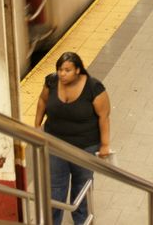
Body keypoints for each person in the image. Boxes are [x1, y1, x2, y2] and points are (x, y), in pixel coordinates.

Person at [35, 52, 111, 225]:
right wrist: (37, 126)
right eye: (60, 70)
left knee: (82, 186)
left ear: (78, 70)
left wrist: (105, 145)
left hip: (85, 147)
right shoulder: (52, 82)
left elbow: (104, 116)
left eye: (67, 70)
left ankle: (82, 220)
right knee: (55, 188)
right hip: (55, 145)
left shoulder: (94, 88)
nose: (62, 74)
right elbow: (42, 101)